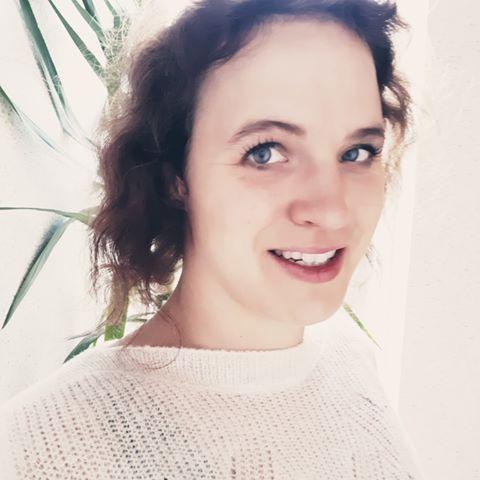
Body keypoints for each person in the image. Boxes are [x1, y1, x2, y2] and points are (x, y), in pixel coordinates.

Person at [0, 0, 426, 478]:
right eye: (265, 153)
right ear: (174, 177)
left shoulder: (353, 367)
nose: (331, 209)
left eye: (358, 152)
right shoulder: (39, 449)